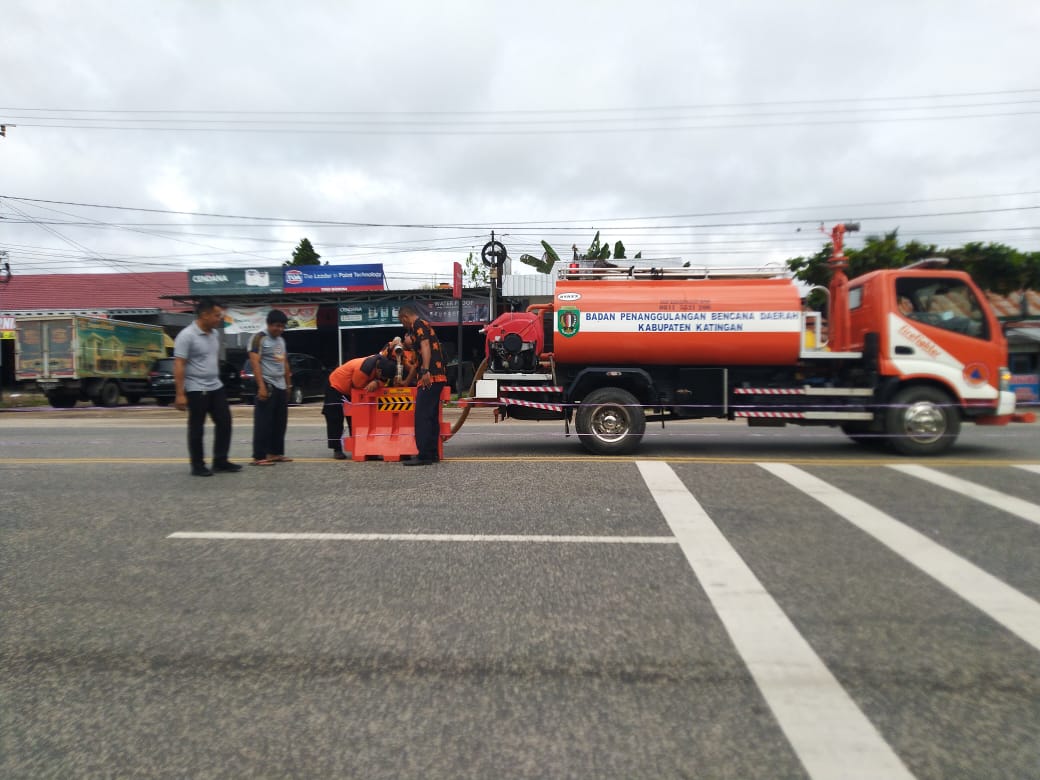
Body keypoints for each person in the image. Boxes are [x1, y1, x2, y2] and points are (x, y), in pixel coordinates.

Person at [173, 298, 242, 476]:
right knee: (197, 427)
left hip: (215, 386)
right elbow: (179, 364)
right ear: (204, 315)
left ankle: (220, 461)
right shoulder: (186, 336)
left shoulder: (214, 334)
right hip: (196, 388)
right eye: (216, 315)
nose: (219, 319)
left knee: (225, 422)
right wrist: (180, 393)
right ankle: (198, 465)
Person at [397, 303, 448, 466]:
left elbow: (426, 346)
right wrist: (406, 381)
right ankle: (432, 453)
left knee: (422, 416)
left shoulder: (418, 325)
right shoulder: (422, 327)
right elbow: (418, 357)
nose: (403, 326)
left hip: (429, 376)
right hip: (437, 376)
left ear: (405, 317)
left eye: (401, 322)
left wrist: (425, 370)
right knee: (431, 416)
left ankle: (424, 455)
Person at [322, 354, 396, 459]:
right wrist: (376, 382)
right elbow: (359, 389)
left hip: (350, 390)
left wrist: (377, 382)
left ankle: (361, 448)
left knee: (356, 420)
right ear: (378, 371)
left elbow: (383, 382)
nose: (384, 379)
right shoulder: (363, 370)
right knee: (335, 419)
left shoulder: (384, 363)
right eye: (383, 377)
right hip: (336, 386)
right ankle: (337, 449)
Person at [249, 309, 292, 466]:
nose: (279, 329)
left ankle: (275, 453)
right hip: (267, 384)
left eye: (282, 326)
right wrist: (261, 386)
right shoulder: (259, 338)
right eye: (276, 326)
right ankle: (259, 456)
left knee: (280, 422)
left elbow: (285, 362)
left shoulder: (281, 341)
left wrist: (288, 385)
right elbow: (254, 362)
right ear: (268, 324)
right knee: (263, 422)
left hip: (280, 385)